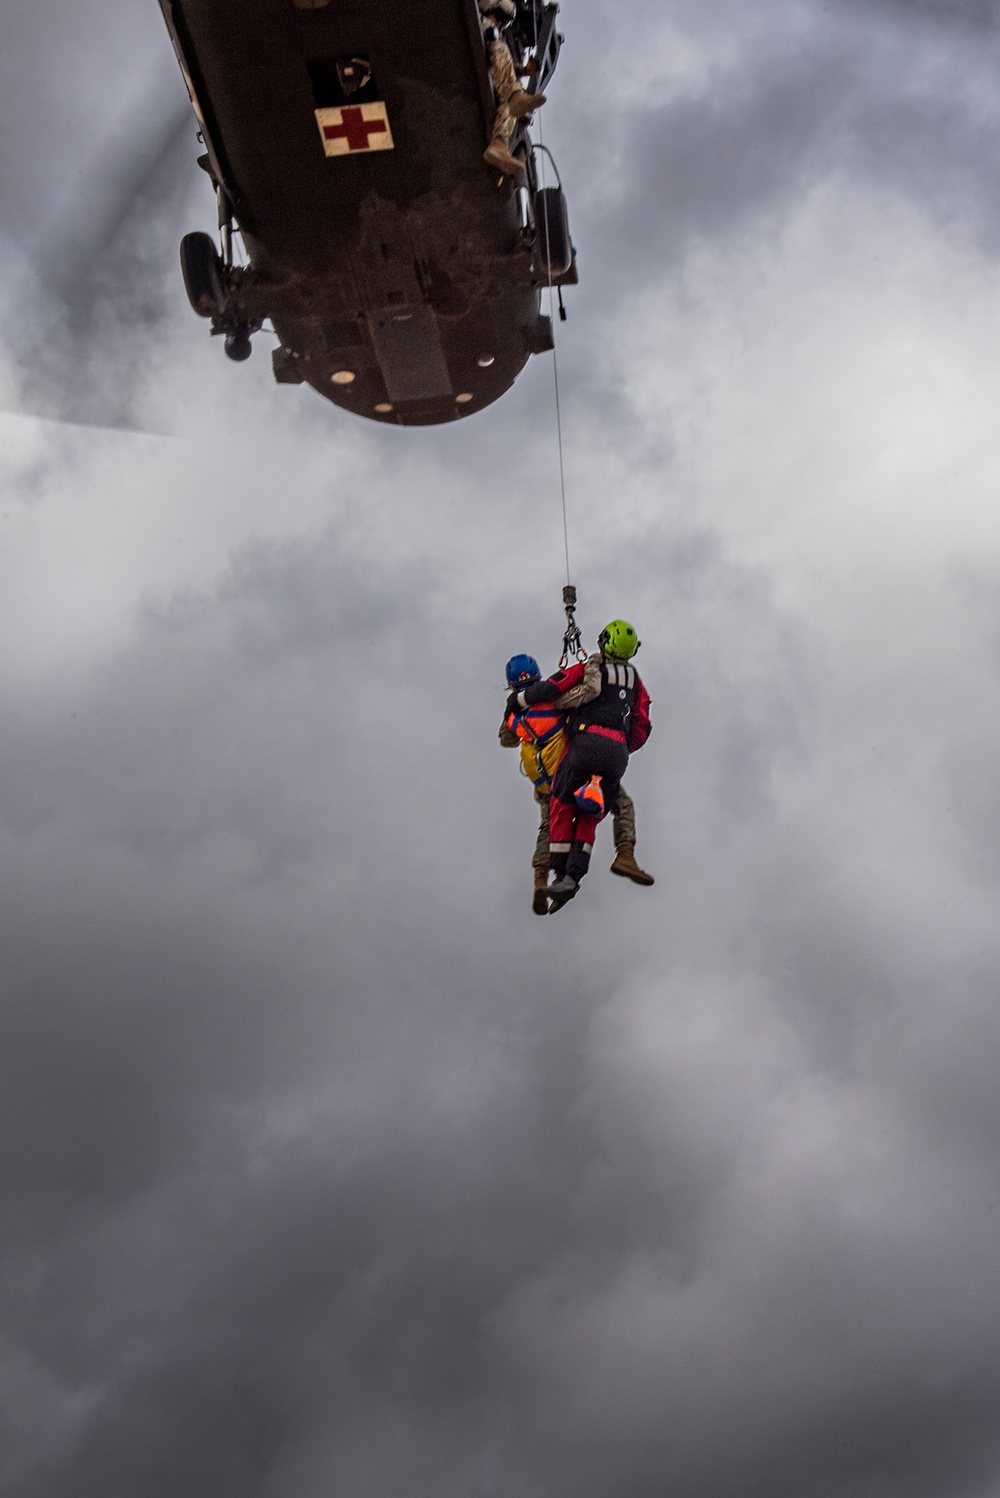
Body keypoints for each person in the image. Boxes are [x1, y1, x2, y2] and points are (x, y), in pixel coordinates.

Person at [507, 621, 652, 911]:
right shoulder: (635, 682)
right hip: (616, 755)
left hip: (582, 750)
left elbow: (554, 686)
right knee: (593, 812)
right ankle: (588, 871)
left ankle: (557, 875)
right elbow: (643, 723)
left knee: (561, 807)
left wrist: (519, 700)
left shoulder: (589, 669)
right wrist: (622, 747)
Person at [479, 0, 546, 178]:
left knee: (509, 107)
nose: (500, 24)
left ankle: (498, 146)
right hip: (475, 62)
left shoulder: (497, 39)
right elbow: (498, 52)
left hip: (492, 78)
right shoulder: (483, 26)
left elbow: (507, 67)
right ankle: (515, 95)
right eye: (500, 17)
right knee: (497, 42)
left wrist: (527, 69)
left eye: (506, 22)